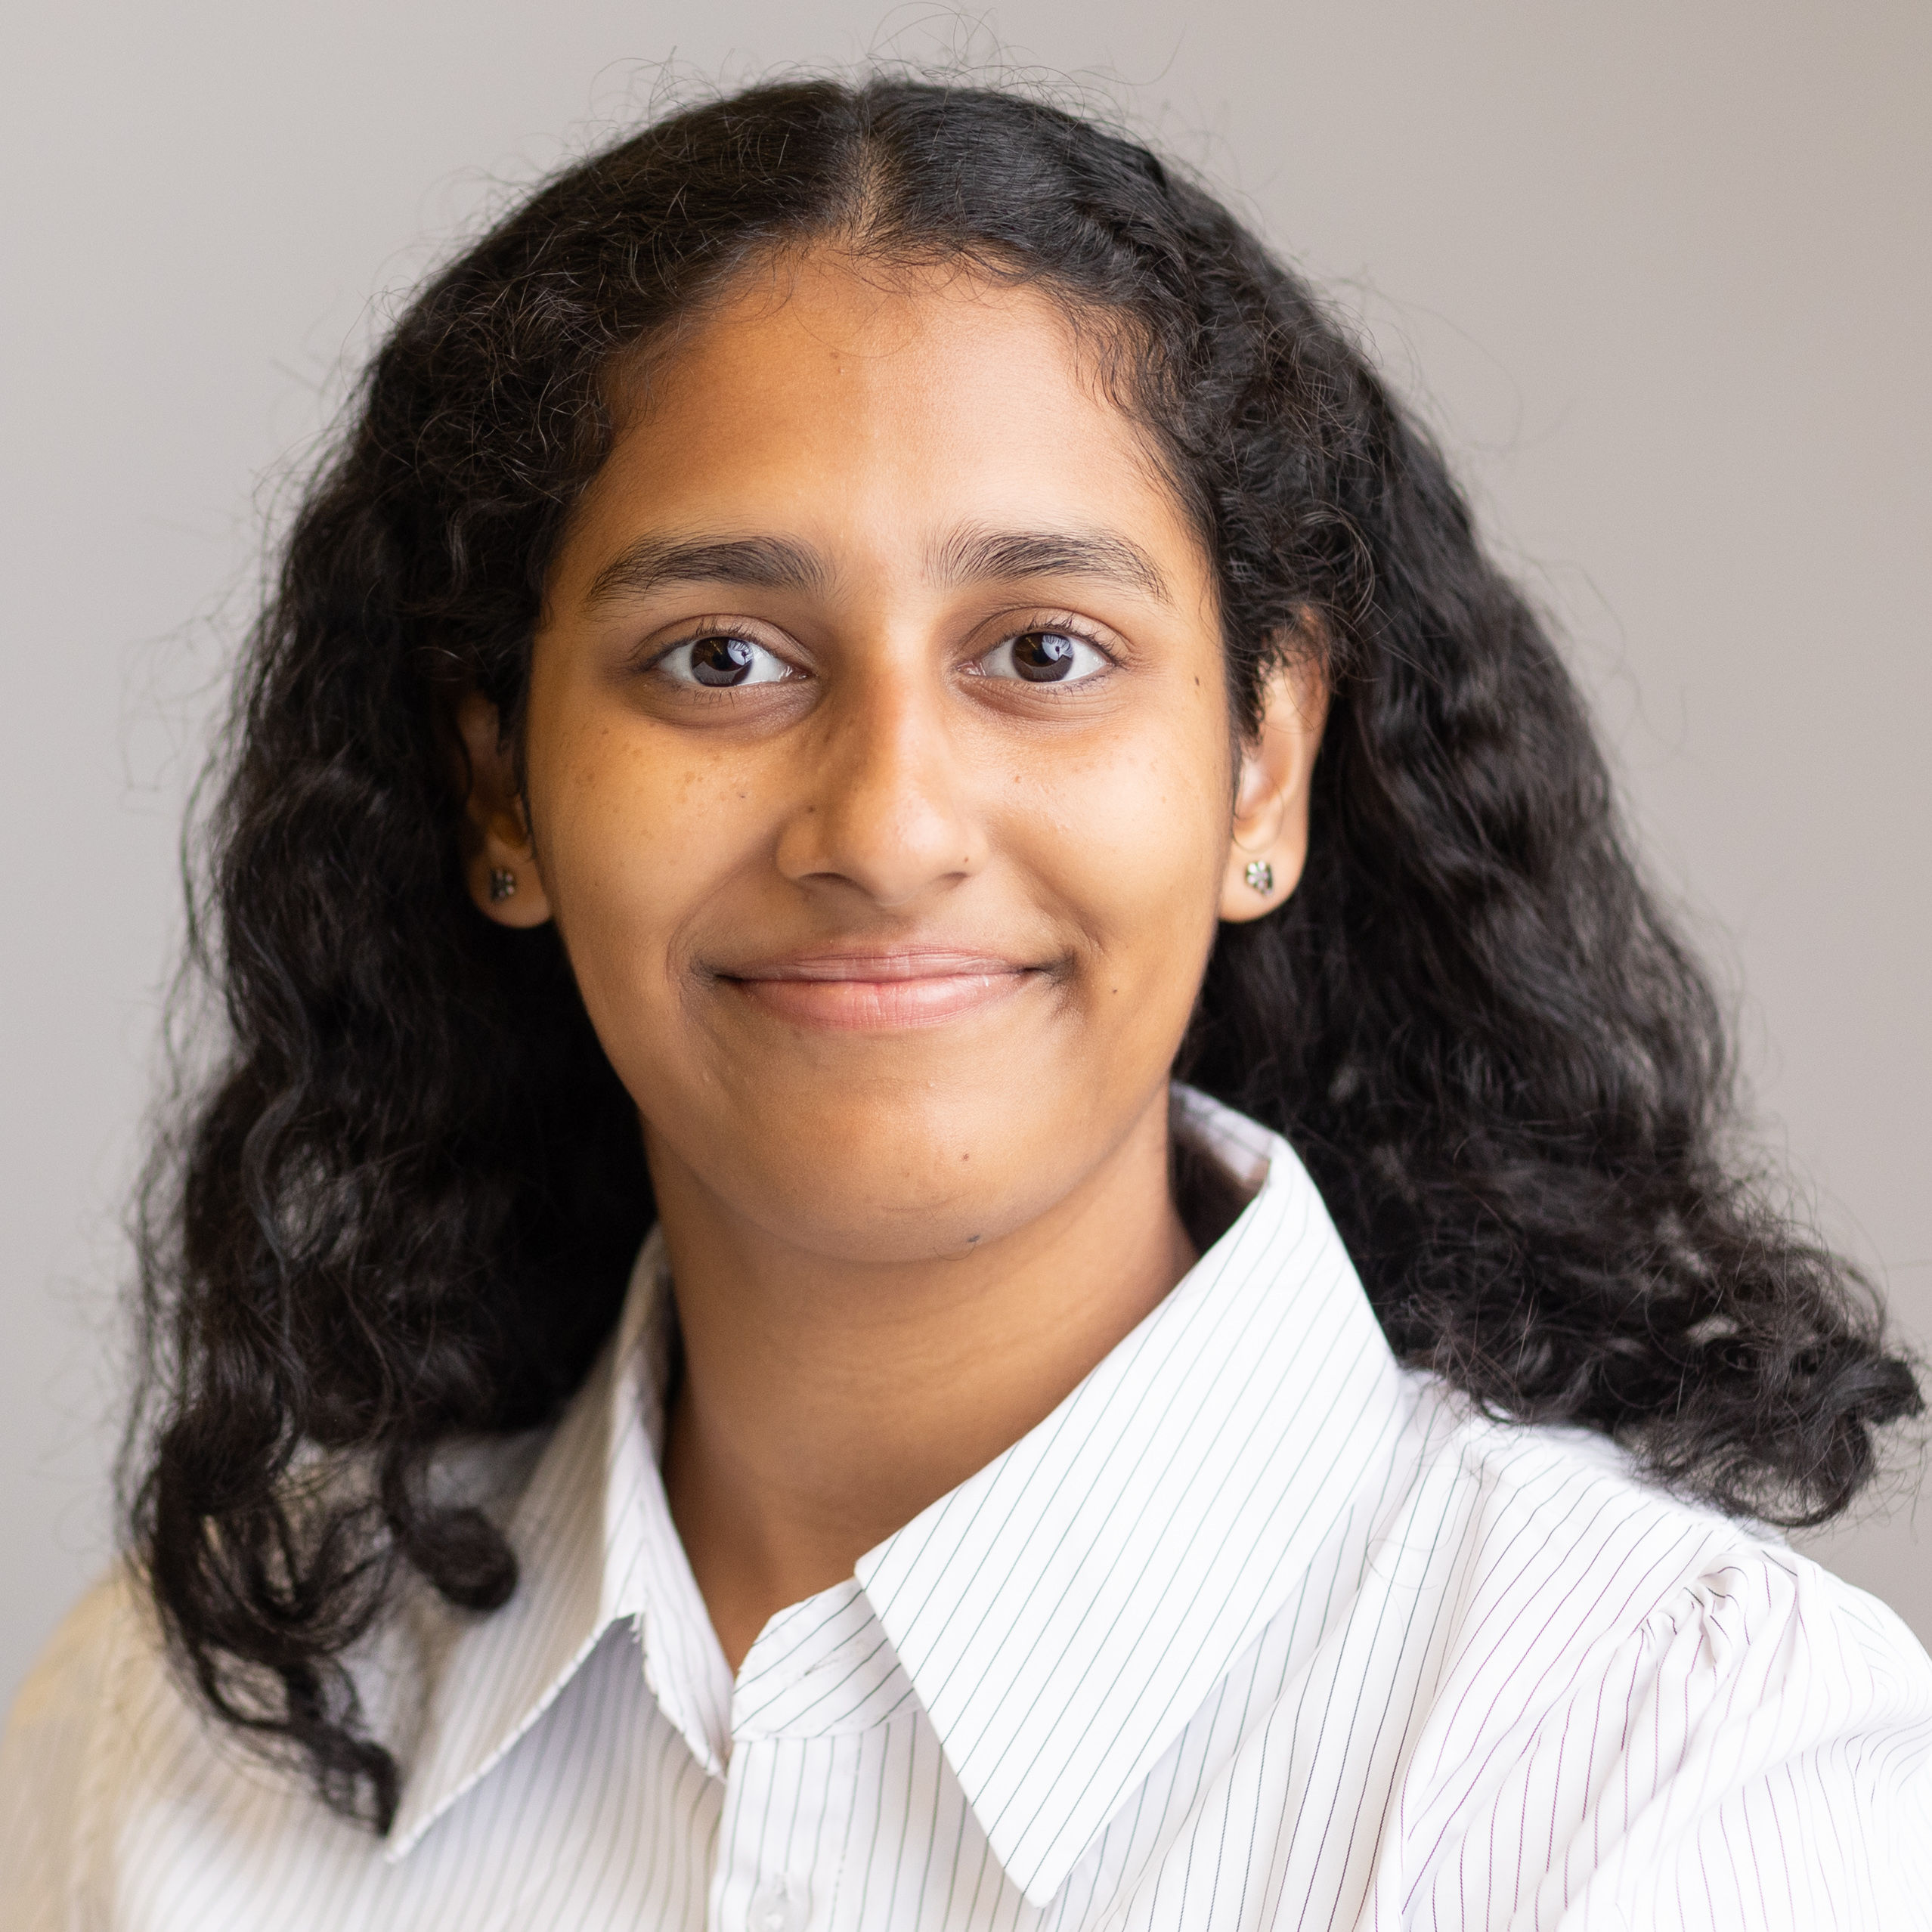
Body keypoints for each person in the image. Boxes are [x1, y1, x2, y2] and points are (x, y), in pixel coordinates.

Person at [3, 73, 1927, 1931]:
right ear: (503, 788)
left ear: (1263, 767)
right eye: (723, 656)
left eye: (1044, 649)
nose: (889, 826)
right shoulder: (176, 1747)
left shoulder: (1670, 1763)